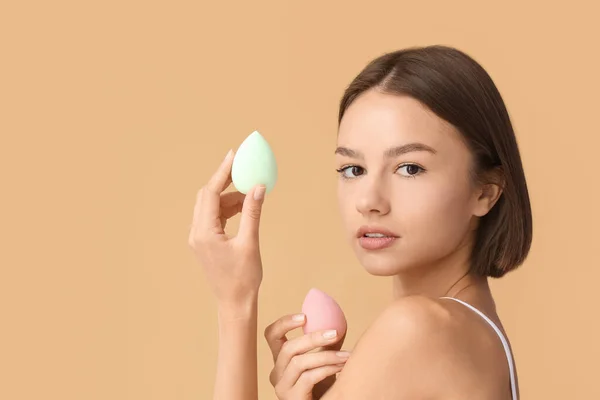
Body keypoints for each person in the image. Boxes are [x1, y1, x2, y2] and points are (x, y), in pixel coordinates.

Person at [188, 45, 532, 400]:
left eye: (409, 168)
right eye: (353, 170)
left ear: (486, 192)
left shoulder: (416, 329)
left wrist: (236, 302)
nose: (369, 201)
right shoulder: (476, 334)